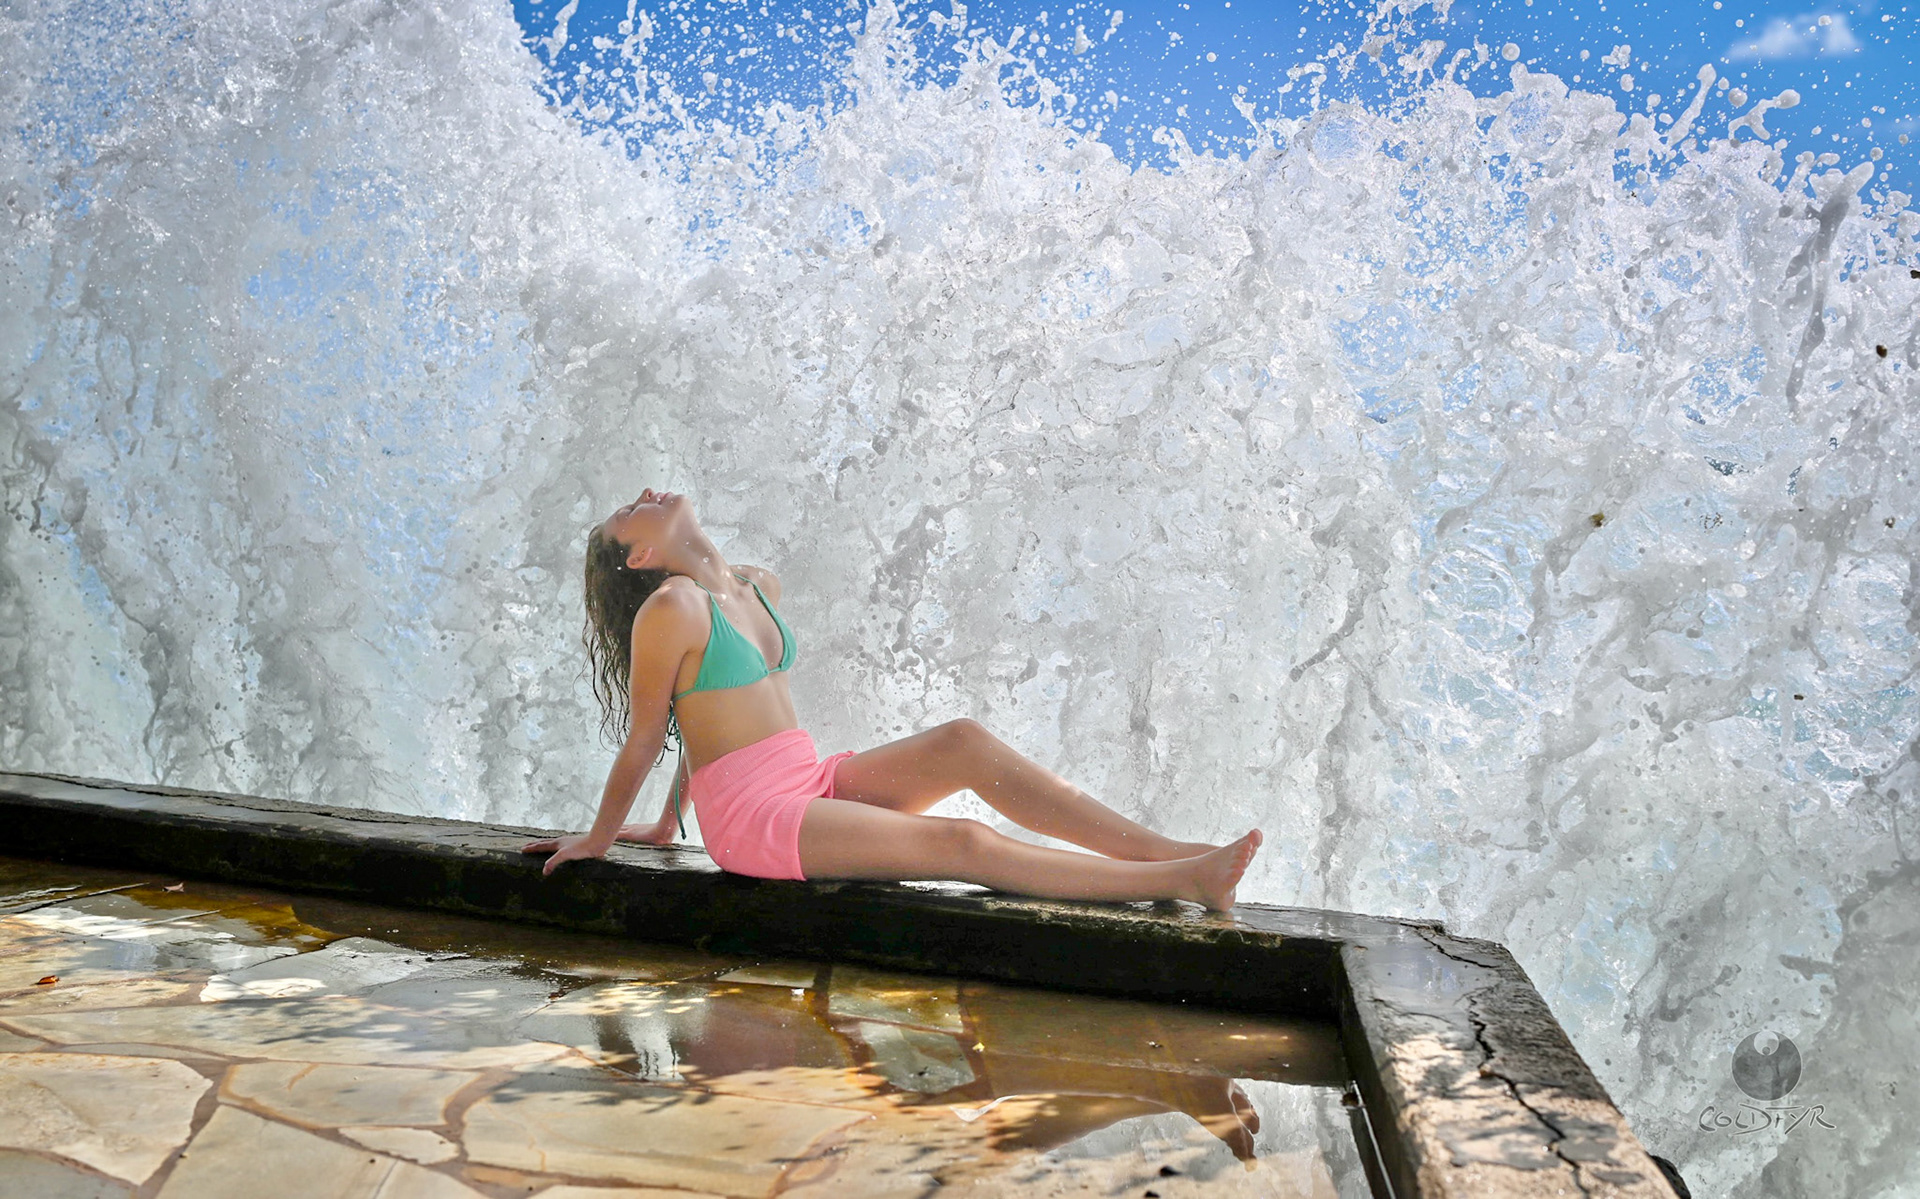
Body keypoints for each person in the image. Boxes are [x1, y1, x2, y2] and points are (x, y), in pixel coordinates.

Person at [522, 487, 1262, 910]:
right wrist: (599, 836)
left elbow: (705, 723)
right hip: (758, 818)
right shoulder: (670, 611)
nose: (646, 495)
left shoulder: (754, 587)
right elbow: (650, 736)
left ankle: (1168, 850)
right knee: (959, 842)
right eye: (630, 511)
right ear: (642, 555)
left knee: (962, 741)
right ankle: (1180, 879)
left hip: (806, 779)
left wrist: (664, 821)